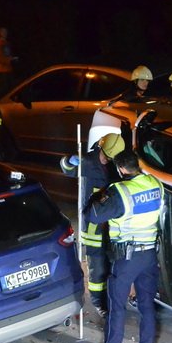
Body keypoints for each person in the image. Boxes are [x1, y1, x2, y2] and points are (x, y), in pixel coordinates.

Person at [85, 149, 164, 343]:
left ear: (120, 169)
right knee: (147, 306)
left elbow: (94, 215)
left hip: (127, 259)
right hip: (149, 255)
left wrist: (101, 195)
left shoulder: (120, 191)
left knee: (116, 307)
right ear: (137, 165)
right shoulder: (155, 184)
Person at [59, 132, 125, 316]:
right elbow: (65, 168)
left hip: (111, 225)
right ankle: (99, 303)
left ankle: (112, 296)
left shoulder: (114, 167)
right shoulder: (87, 161)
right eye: (105, 155)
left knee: (112, 263)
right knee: (97, 267)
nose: (106, 159)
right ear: (100, 147)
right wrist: (68, 161)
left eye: (109, 158)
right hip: (92, 227)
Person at [0, 27, 18, 97]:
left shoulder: (6, 42)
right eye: (3, 32)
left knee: (11, 87)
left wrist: (12, 58)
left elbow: (7, 54)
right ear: (0, 33)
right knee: (4, 87)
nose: (5, 33)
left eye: (6, 32)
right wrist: (8, 60)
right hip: (2, 69)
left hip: (8, 68)